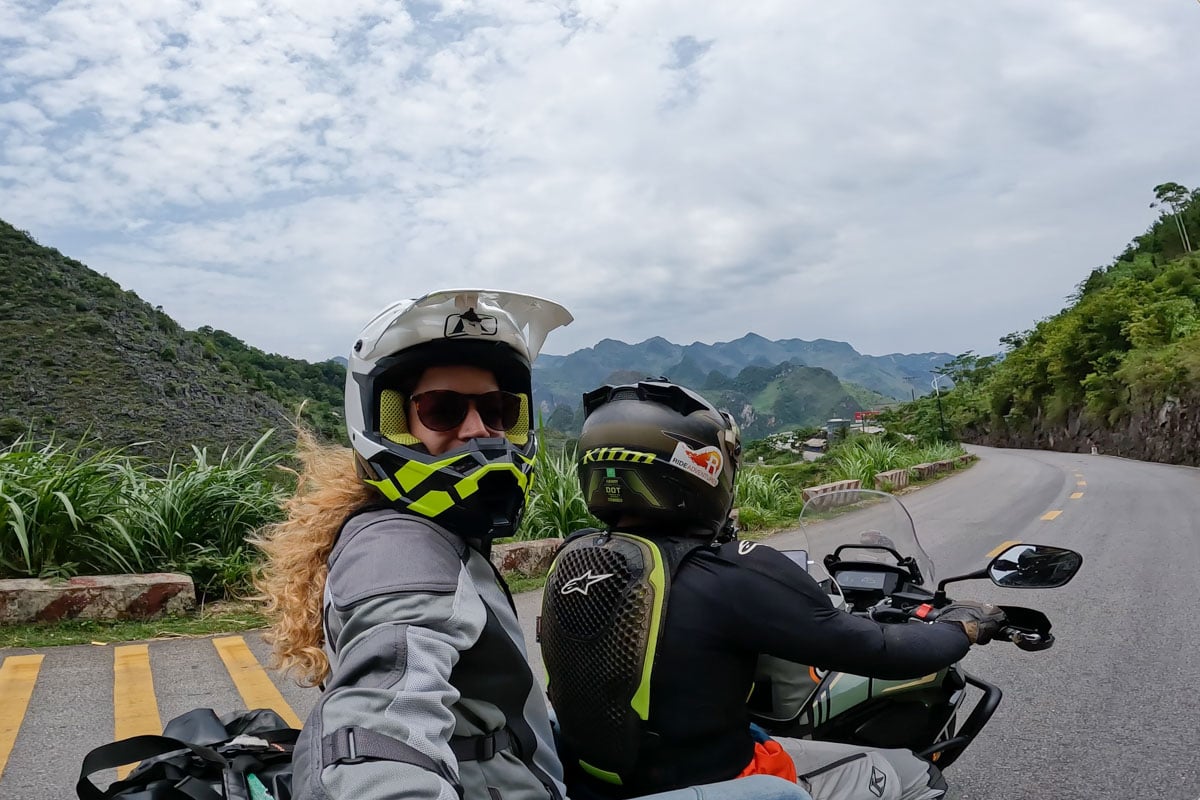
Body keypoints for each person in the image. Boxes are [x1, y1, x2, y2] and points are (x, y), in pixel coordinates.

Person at [539, 379, 1006, 800]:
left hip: (591, 778)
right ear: (701, 468)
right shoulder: (735, 570)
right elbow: (880, 650)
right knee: (906, 772)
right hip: (708, 783)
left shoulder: (578, 553)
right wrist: (964, 626)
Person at [254, 289, 573, 800]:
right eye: (443, 410)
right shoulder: (400, 552)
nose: (479, 431)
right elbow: (383, 725)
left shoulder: (422, 529)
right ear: (393, 424)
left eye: (496, 409)